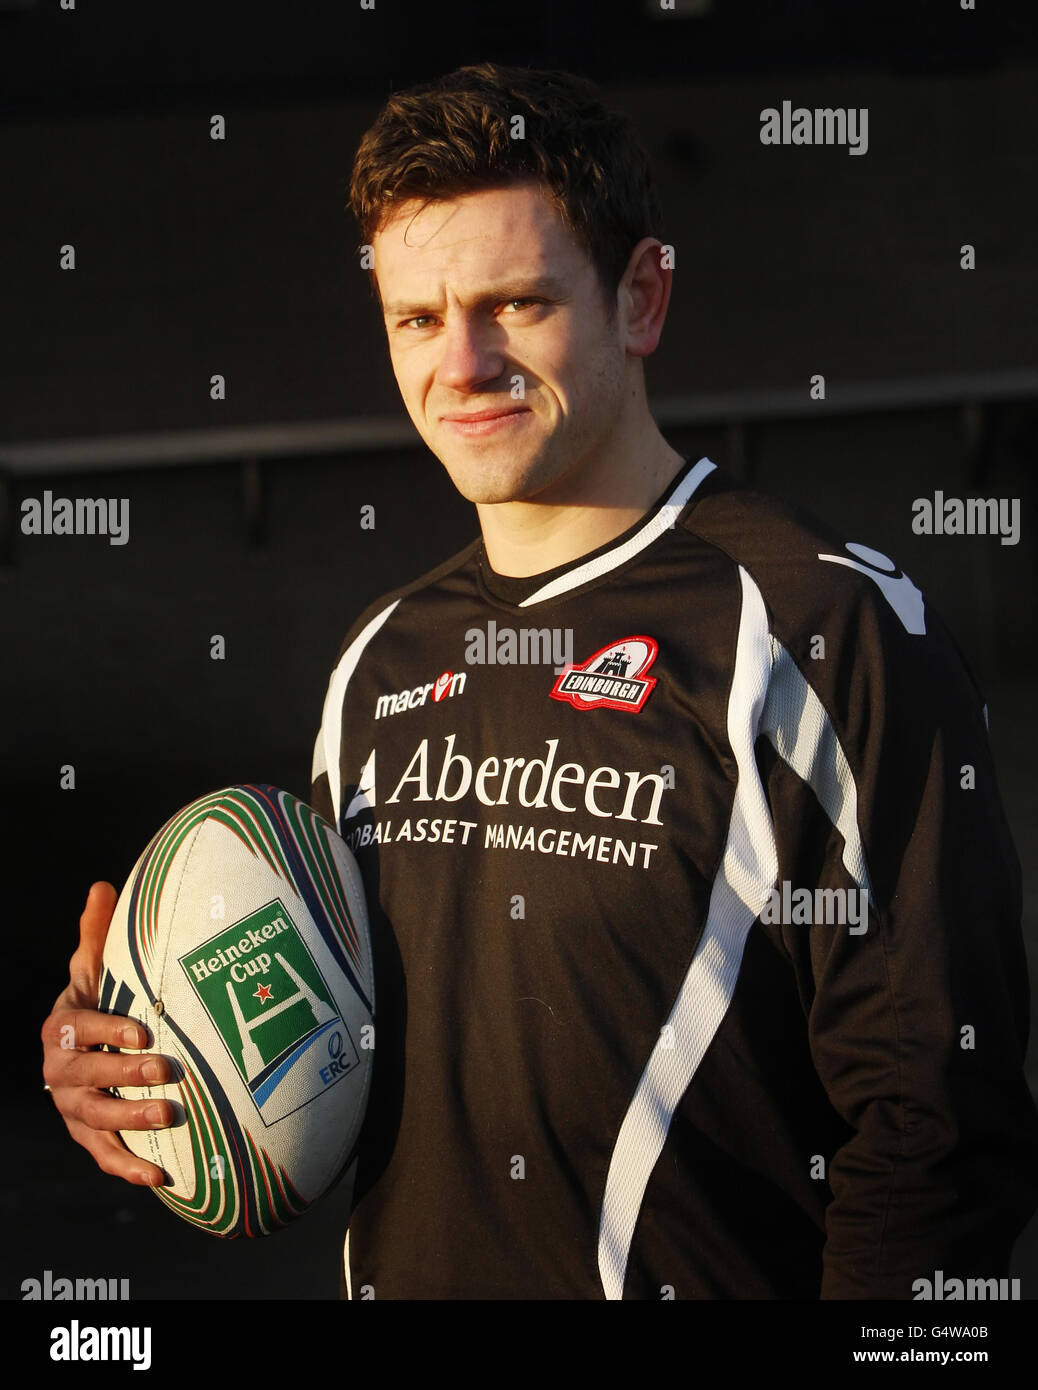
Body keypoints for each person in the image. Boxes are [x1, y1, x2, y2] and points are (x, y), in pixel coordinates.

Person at [42, 61, 1038, 1300]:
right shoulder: (378, 662)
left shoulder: (822, 624)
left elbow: (941, 1130)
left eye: (515, 304)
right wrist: (141, 1060)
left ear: (642, 297)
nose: (461, 364)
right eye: (416, 317)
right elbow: (324, 1055)